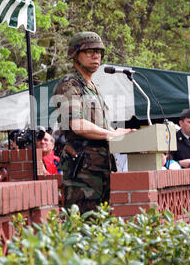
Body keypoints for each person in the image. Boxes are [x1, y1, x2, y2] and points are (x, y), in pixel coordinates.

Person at [52, 31, 135, 213]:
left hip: (101, 166)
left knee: (101, 224)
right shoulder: (69, 84)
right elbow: (77, 124)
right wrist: (112, 134)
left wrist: (120, 134)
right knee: (86, 224)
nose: (96, 55)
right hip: (83, 169)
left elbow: (100, 125)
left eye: (98, 51)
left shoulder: (93, 87)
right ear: (75, 55)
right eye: (89, 51)